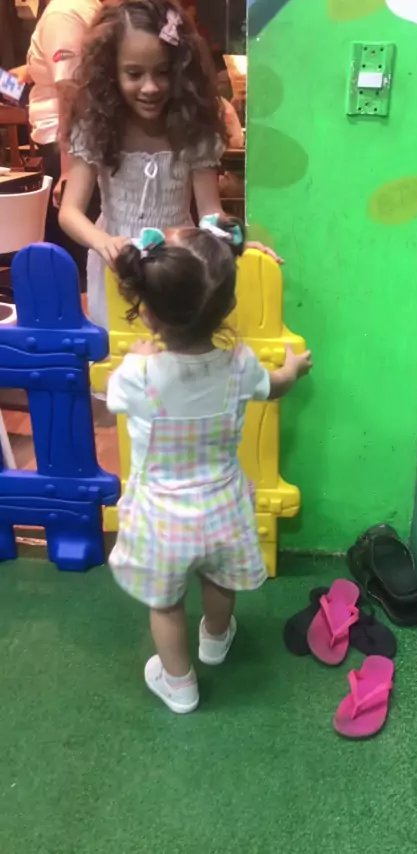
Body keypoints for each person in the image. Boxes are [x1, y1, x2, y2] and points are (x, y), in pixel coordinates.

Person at [106, 216, 313, 713]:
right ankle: (216, 639)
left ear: (148, 314)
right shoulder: (240, 365)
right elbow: (275, 387)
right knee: (220, 579)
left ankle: (179, 685)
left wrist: (137, 356)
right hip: (221, 506)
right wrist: (292, 368)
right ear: (229, 306)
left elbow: (113, 399)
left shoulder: (138, 374)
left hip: (161, 516)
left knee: (166, 603)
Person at [59, 0, 280, 331]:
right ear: (110, 71)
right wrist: (103, 242)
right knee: (120, 353)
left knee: (174, 348)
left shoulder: (193, 127)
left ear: (181, 71)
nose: (150, 87)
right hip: (117, 265)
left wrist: (234, 243)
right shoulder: (97, 126)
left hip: (177, 265)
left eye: (163, 72)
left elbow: (209, 211)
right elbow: (69, 212)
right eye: (134, 74)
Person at [12, 0, 102, 275]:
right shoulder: (78, 9)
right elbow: (72, 68)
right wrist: (31, 70)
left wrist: (67, 170)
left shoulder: (63, 12)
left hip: (64, 144)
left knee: (72, 255)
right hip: (74, 141)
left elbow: (70, 91)